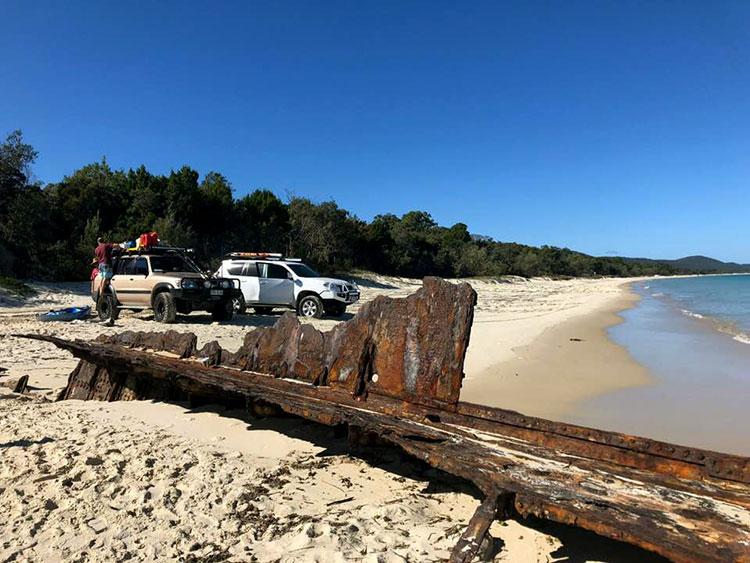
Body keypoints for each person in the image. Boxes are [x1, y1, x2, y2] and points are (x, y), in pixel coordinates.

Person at [94, 237, 118, 323]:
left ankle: (101, 290)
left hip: (100, 264)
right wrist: (119, 245)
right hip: (106, 263)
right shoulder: (105, 246)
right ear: (103, 241)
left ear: (98, 242)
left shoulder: (96, 249)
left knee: (103, 277)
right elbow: (114, 245)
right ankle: (101, 292)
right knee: (107, 277)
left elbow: (98, 257)